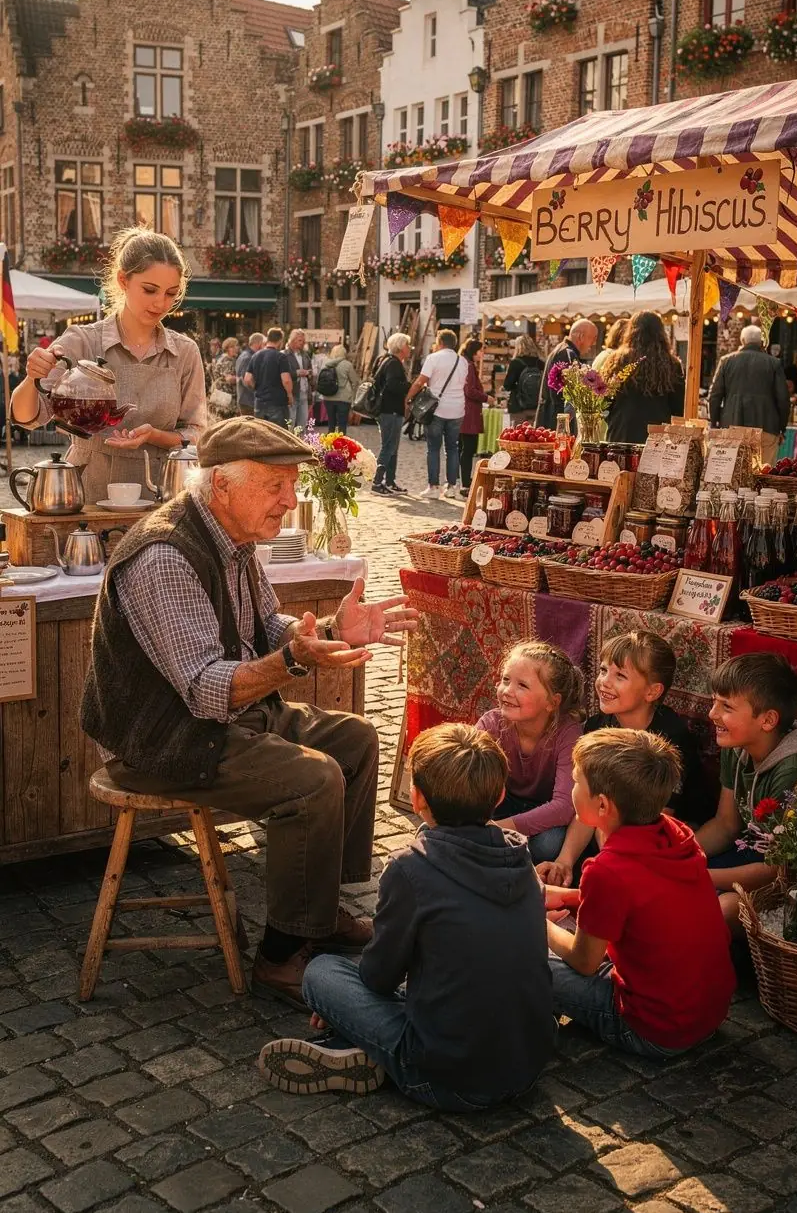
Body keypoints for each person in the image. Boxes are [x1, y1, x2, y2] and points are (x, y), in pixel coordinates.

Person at [81, 417, 419, 1008]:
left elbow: (267, 624)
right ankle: (282, 955)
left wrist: (334, 630)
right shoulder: (165, 555)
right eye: (275, 486)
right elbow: (206, 689)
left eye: (292, 484)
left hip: (221, 721)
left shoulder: (233, 540)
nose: (290, 500)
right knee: (314, 780)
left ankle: (316, 908)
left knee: (357, 739)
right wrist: (290, 661)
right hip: (160, 742)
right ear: (222, 486)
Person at [257, 722, 554, 1103]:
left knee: (321, 972)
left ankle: (370, 1050)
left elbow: (378, 977)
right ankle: (365, 1044)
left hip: (446, 1078)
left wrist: (343, 1007)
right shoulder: (519, 854)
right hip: (528, 1066)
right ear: (499, 796)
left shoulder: (410, 868)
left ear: (416, 799)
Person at [545, 727, 736, 1058]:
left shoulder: (607, 870)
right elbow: (642, 900)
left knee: (525, 957)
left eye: (576, 782)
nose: (572, 787)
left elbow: (584, 961)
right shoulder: (676, 835)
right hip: (706, 1016)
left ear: (602, 806)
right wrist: (564, 896)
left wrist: (536, 919)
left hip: (653, 1030)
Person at [10, 227, 206, 504]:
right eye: (150, 290)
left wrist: (156, 436)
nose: (160, 303)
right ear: (123, 280)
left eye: (171, 293)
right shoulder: (82, 341)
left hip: (160, 495)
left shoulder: (184, 352)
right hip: (85, 492)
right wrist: (31, 378)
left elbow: (197, 433)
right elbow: (28, 418)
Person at [539, 632, 711, 889]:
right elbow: (589, 801)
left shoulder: (670, 739)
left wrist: (607, 866)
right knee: (549, 846)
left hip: (662, 833)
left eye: (620, 676)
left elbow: (655, 820)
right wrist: (564, 860)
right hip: (609, 824)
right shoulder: (599, 725)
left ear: (652, 691)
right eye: (603, 670)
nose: (604, 682)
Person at [695, 654, 797, 933]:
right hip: (748, 855)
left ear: (768, 720)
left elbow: (780, 871)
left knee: (724, 908)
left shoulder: (794, 769)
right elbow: (726, 825)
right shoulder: (736, 745)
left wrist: (699, 875)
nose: (712, 714)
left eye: (726, 706)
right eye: (714, 701)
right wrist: (677, 857)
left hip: (792, 884)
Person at [477, 641, 584, 864]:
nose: (507, 691)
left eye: (522, 686)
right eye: (506, 680)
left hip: (543, 813)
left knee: (549, 845)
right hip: (499, 803)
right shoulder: (491, 723)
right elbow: (465, 776)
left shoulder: (568, 733)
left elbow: (564, 807)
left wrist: (499, 829)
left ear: (552, 703)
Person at [708, 324, 790, 469]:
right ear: (762, 343)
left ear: (742, 340)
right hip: (766, 427)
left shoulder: (727, 361)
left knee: (733, 473)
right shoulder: (773, 363)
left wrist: (714, 423)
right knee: (764, 473)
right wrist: (782, 428)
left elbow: (715, 396)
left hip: (733, 426)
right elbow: (783, 399)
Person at [604, 310, 685, 445]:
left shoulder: (617, 360)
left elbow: (605, 401)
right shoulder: (671, 364)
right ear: (661, 333)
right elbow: (678, 407)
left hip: (621, 434)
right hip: (658, 437)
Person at [407, 327, 468, 499]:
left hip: (436, 410)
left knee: (433, 448)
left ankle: (433, 487)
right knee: (453, 449)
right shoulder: (462, 361)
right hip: (457, 409)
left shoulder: (433, 358)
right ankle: (452, 486)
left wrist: (408, 397)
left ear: (440, 343)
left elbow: (420, 382)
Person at [538, 319, 598, 431]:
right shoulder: (567, 354)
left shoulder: (563, 350)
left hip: (552, 420)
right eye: (593, 338)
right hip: (557, 424)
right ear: (581, 336)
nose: (594, 343)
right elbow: (566, 396)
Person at [371, 332, 411, 496]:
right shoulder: (393, 363)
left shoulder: (386, 360)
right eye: (408, 345)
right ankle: (377, 482)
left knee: (392, 447)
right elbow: (392, 385)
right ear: (401, 347)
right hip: (390, 410)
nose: (410, 349)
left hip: (390, 410)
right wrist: (410, 386)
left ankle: (390, 481)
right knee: (388, 447)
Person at [458, 336, 491, 495]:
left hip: (464, 412)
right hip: (469, 414)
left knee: (463, 449)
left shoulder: (465, 363)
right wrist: (486, 397)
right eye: (480, 350)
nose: (482, 354)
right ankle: (464, 482)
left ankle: (461, 480)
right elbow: (469, 390)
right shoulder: (469, 366)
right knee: (468, 449)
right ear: (474, 351)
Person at [243, 327, 293, 427]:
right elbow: (286, 380)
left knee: (261, 435)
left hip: (259, 402)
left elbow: (247, 379)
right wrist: (289, 395)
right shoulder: (281, 357)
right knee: (278, 435)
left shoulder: (255, 355)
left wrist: (257, 387)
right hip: (277, 403)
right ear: (280, 341)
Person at [503, 334, 545, 426]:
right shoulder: (540, 363)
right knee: (534, 435)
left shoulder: (515, 363)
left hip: (518, 407)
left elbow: (507, 385)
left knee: (518, 435)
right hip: (536, 406)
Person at [318, 343, 359, 435]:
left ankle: (330, 445)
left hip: (328, 397)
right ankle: (341, 446)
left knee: (331, 424)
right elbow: (355, 382)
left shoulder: (326, 364)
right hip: (343, 398)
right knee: (342, 425)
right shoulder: (347, 365)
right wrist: (353, 395)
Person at [286, 328, 313, 431]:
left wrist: (309, 374)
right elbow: (283, 375)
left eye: (303, 341)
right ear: (292, 341)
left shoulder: (305, 355)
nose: (303, 343)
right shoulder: (285, 355)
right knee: (290, 423)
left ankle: (300, 445)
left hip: (304, 392)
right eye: (300, 340)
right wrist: (296, 373)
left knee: (302, 424)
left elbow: (310, 370)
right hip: (292, 393)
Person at [209, 336, 240, 421]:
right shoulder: (227, 360)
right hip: (226, 397)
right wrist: (241, 380)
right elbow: (229, 379)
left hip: (222, 395)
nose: (236, 348)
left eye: (236, 346)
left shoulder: (222, 358)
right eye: (232, 346)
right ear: (227, 348)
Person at [235, 333, 266, 416]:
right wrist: (259, 392)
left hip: (246, 399)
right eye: (264, 344)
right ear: (259, 344)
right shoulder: (249, 357)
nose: (265, 347)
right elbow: (247, 380)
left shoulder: (245, 354)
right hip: (248, 401)